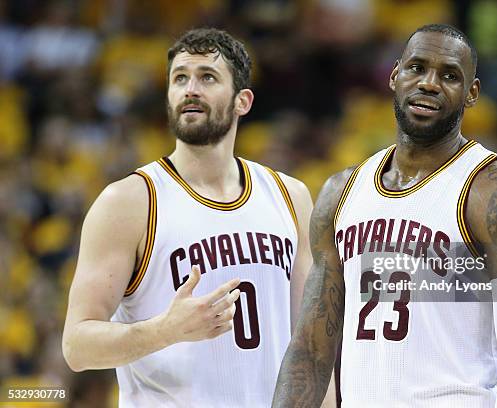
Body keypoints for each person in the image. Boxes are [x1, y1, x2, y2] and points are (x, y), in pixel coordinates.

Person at [273, 24, 497, 408]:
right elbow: (311, 347)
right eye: (417, 68)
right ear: (394, 75)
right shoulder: (341, 193)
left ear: (472, 93)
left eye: (449, 75)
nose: (429, 84)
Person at [62, 28, 321, 407]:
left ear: (242, 101)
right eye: (179, 78)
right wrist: (163, 331)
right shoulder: (130, 201)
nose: (190, 89)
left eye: (207, 77)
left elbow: (311, 342)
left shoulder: (290, 196)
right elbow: (77, 346)